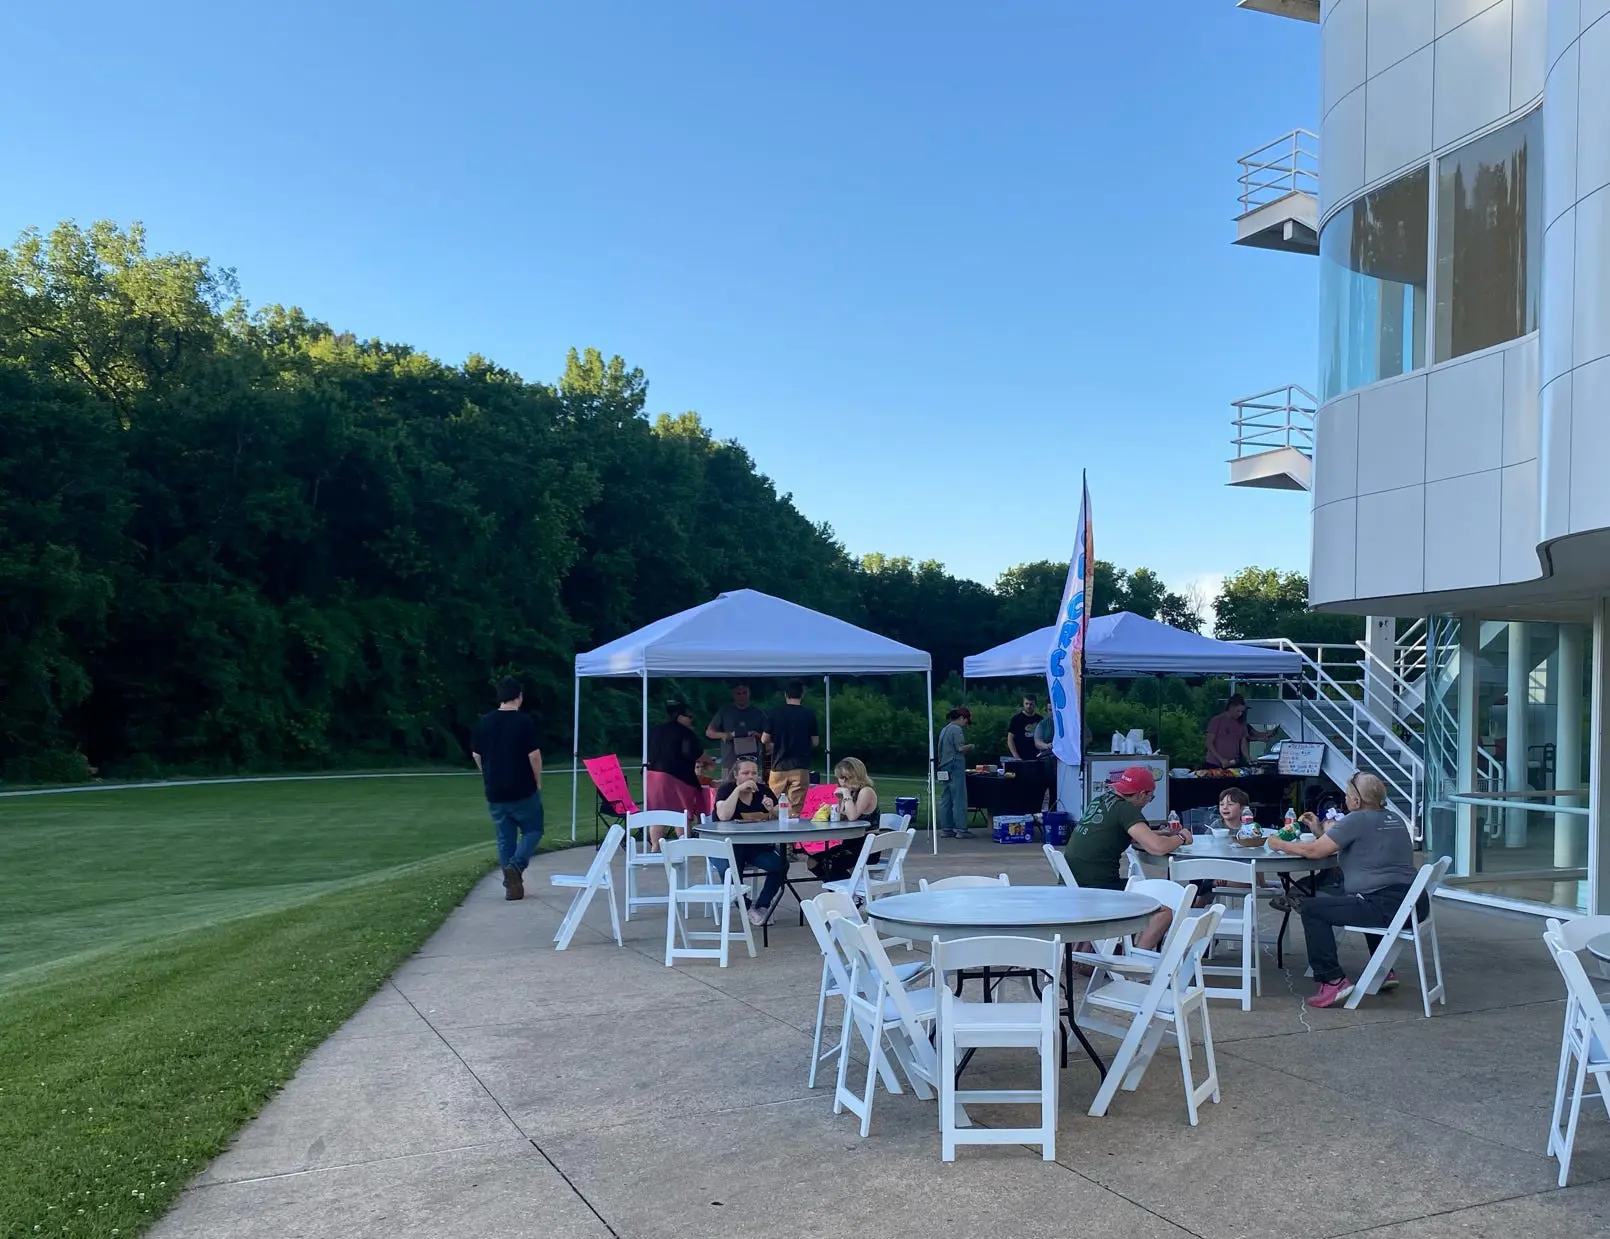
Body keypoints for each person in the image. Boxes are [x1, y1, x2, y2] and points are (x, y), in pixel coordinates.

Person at [1265, 772, 1423, 1009]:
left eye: (1348, 794)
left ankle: (1332, 981)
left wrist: (1278, 843)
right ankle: (1383, 971)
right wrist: (1321, 833)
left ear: (1357, 800)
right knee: (1357, 898)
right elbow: (1359, 850)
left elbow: (1314, 852)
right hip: (1412, 905)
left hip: (1384, 905)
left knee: (1312, 910)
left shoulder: (1356, 819)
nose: (1345, 798)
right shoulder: (1393, 818)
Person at [1061, 766, 1186, 949]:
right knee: (1163, 912)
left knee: (1134, 887)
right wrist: (1181, 837)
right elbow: (1157, 848)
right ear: (1142, 793)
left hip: (1073, 882)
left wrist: (1163, 834)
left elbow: (1124, 833)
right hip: (1097, 887)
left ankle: (1089, 954)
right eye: (1150, 798)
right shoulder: (1126, 810)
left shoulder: (1101, 800)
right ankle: (1137, 960)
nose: (1147, 802)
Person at [471, 677, 544, 901]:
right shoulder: (524, 722)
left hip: (495, 790)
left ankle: (511, 886)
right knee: (533, 830)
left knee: (505, 838)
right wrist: (537, 781)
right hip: (522, 788)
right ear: (518, 697)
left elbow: (476, 754)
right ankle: (516, 866)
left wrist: (488, 774)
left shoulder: (484, 722)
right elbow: (534, 756)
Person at [712, 758, 787, 926]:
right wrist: (738, 791)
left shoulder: (763, 790)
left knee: (780, 864)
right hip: (725, 846)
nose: (750, 777)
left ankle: (762, 905)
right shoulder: (727, 789)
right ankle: (746, 907)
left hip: (755, 846)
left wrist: (772, 810)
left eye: (754, 773)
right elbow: (723, 816)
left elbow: (781, 817)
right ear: (736, 775)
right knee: (730, 868)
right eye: (745, 773)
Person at [645, 700, 709, 849]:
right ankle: (683, 844)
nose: (691, 720)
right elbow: (692, 752)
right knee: (681, 811)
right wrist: (708, 761)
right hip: (676, 777)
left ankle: (655, 846)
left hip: (652, 775)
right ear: (680, 716)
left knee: (657, 812)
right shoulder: (684, 732)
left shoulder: (655, 730)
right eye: (689, 716)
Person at [762, 679, 818, 813]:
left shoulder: (774, 713)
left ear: (785, 695)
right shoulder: (809, 714)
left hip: (778, 765)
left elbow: (764, 739)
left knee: (771, 805)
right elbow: (815, 742)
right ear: (802, 695)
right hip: (800, 766)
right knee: (794, 809)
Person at [707, 681, 769, 779]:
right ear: (733, 695)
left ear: (749, 693)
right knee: (726, 788)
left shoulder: (757, 713)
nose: (742, 696)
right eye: (738, 693)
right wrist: (725, 735)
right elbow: (709, 732)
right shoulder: (725, 711)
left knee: (751, 788)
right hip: (729, 762)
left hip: (752, 762)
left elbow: (769, 736)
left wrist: (757, 735)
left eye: (744, 693)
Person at [1203, 693, 1276, 768]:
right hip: (1214, 764)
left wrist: (1248, 759)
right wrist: (1221, 759)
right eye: (1238, 711)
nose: (1240, 714)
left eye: (1242, 712)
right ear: (1231, 707)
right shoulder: (1217, 720)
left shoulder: (1241, 724)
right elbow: (1209, 743)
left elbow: (1243, 744)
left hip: (1233, 764)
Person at [936, 707, 974, 839]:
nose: (966, 724)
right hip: (955, 765)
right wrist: (971, 746)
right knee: (959, 798)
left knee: (946, 798)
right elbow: (960, 748)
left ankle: (946, 828)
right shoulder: (956, 730)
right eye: (966, 721)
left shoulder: (944, 729)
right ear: (962, 718)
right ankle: (961, 829)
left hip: (943, 766)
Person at [1007, 695, 1044, 762]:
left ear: (1035, 704)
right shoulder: (1016, 719)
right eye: (1026, 704)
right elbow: (1010, 739)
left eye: (1031, 704)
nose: (1028, 706)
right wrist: (1016, 756)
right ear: (1023, 704)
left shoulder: (1040, 720)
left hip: (1036, 757)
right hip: (1020, 757)